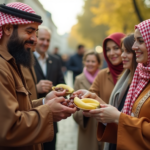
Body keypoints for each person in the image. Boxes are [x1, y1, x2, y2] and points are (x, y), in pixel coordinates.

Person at [0, 2, 76, 150]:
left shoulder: (11, 63)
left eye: (36, 32)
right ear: (8, 28)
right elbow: (8, 129)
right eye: (29, 31)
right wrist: (48, 111)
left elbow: (19, 111)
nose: (34, 39)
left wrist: (43, 103)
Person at [75, 19, 150, 150]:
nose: (120, 54)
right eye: (108, 50)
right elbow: (126, 114)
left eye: (141, 41)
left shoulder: (139, 78)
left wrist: (118, 117)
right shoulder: (140, 77)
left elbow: (123, 116)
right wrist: (94, 101)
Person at [34, 26, 65, 150]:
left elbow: (61, 83)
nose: (45, 43)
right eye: (42, 39)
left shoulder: (55, 60)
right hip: (32, 120)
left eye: (48, 40)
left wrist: (58, 90)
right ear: (35, 38)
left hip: (51, 122)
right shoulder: (24, 60)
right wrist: (36, 88)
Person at [104, 34, 137, 150]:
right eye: (122, 50)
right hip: (117, 137)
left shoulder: (141, 83)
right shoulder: (126, 78)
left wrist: (117, 117)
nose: (122, 55)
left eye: (127, 51)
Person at [73, 50, 101, 150]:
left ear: (98, 63)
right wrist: (84, 113)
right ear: (84, 62)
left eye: (93, 61)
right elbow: (74, 105)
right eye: (88, 61)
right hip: (87, 125)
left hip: (102, 122)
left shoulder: (104, 78)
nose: (90, 64)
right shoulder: (78, 79)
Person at [90, 33, 125, 104]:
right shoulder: (102, 75)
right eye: (108, 50)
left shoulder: (136, 74)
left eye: (116, 48)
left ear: (125, 49)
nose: (111, 53)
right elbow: (90, 99)